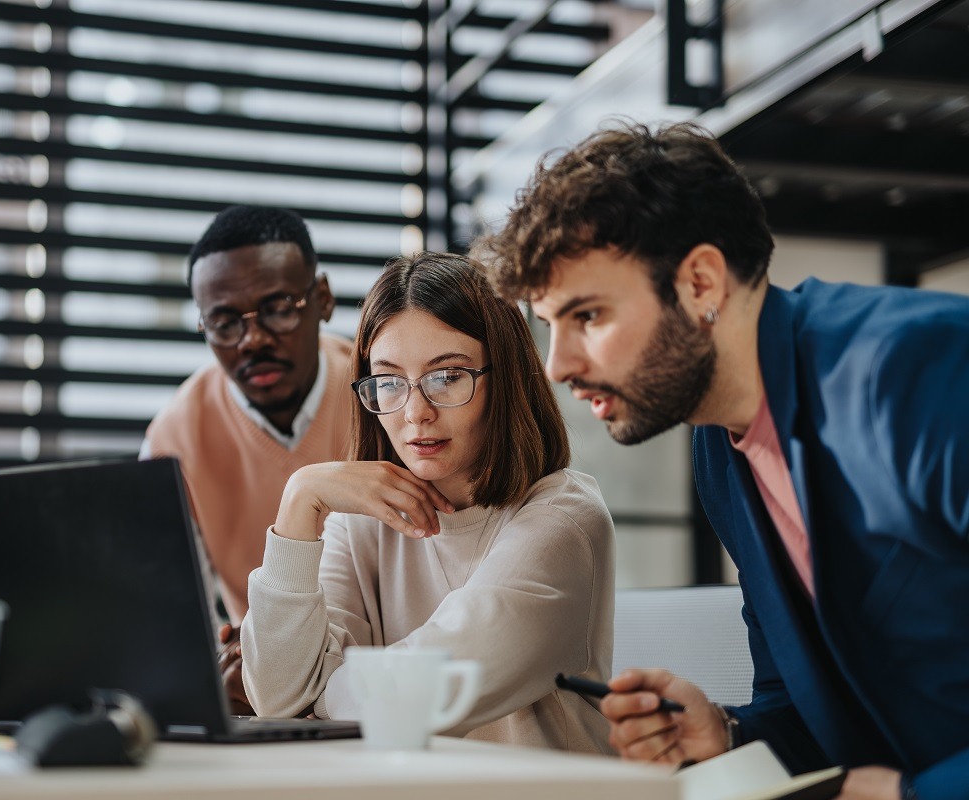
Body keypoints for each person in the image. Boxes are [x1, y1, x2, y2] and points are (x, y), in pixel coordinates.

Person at [476, 121, 969, 798]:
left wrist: (912, 793)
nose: (557, 366)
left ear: (701, 283)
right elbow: (805, 706)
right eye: (548, 325)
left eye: (587, 316)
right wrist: (726, 734)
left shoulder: (915, 369)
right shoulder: (720, 449)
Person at [240, 252, 616, 751]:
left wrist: (317, 694)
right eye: (389, 382)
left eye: (447, 376)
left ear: (505, 379)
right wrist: (299, 498)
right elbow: (275, 698)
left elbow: (420, 692)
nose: (415, 413)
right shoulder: (362, 524)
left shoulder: (563, 520)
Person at [141, 205, 354, 712]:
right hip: (267, 698)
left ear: (322, 299)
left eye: (278, 308)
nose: (252, 340)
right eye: (224, 323)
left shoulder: (389, 397)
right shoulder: (174, 438)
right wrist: (230, 657)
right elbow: (170, 621)